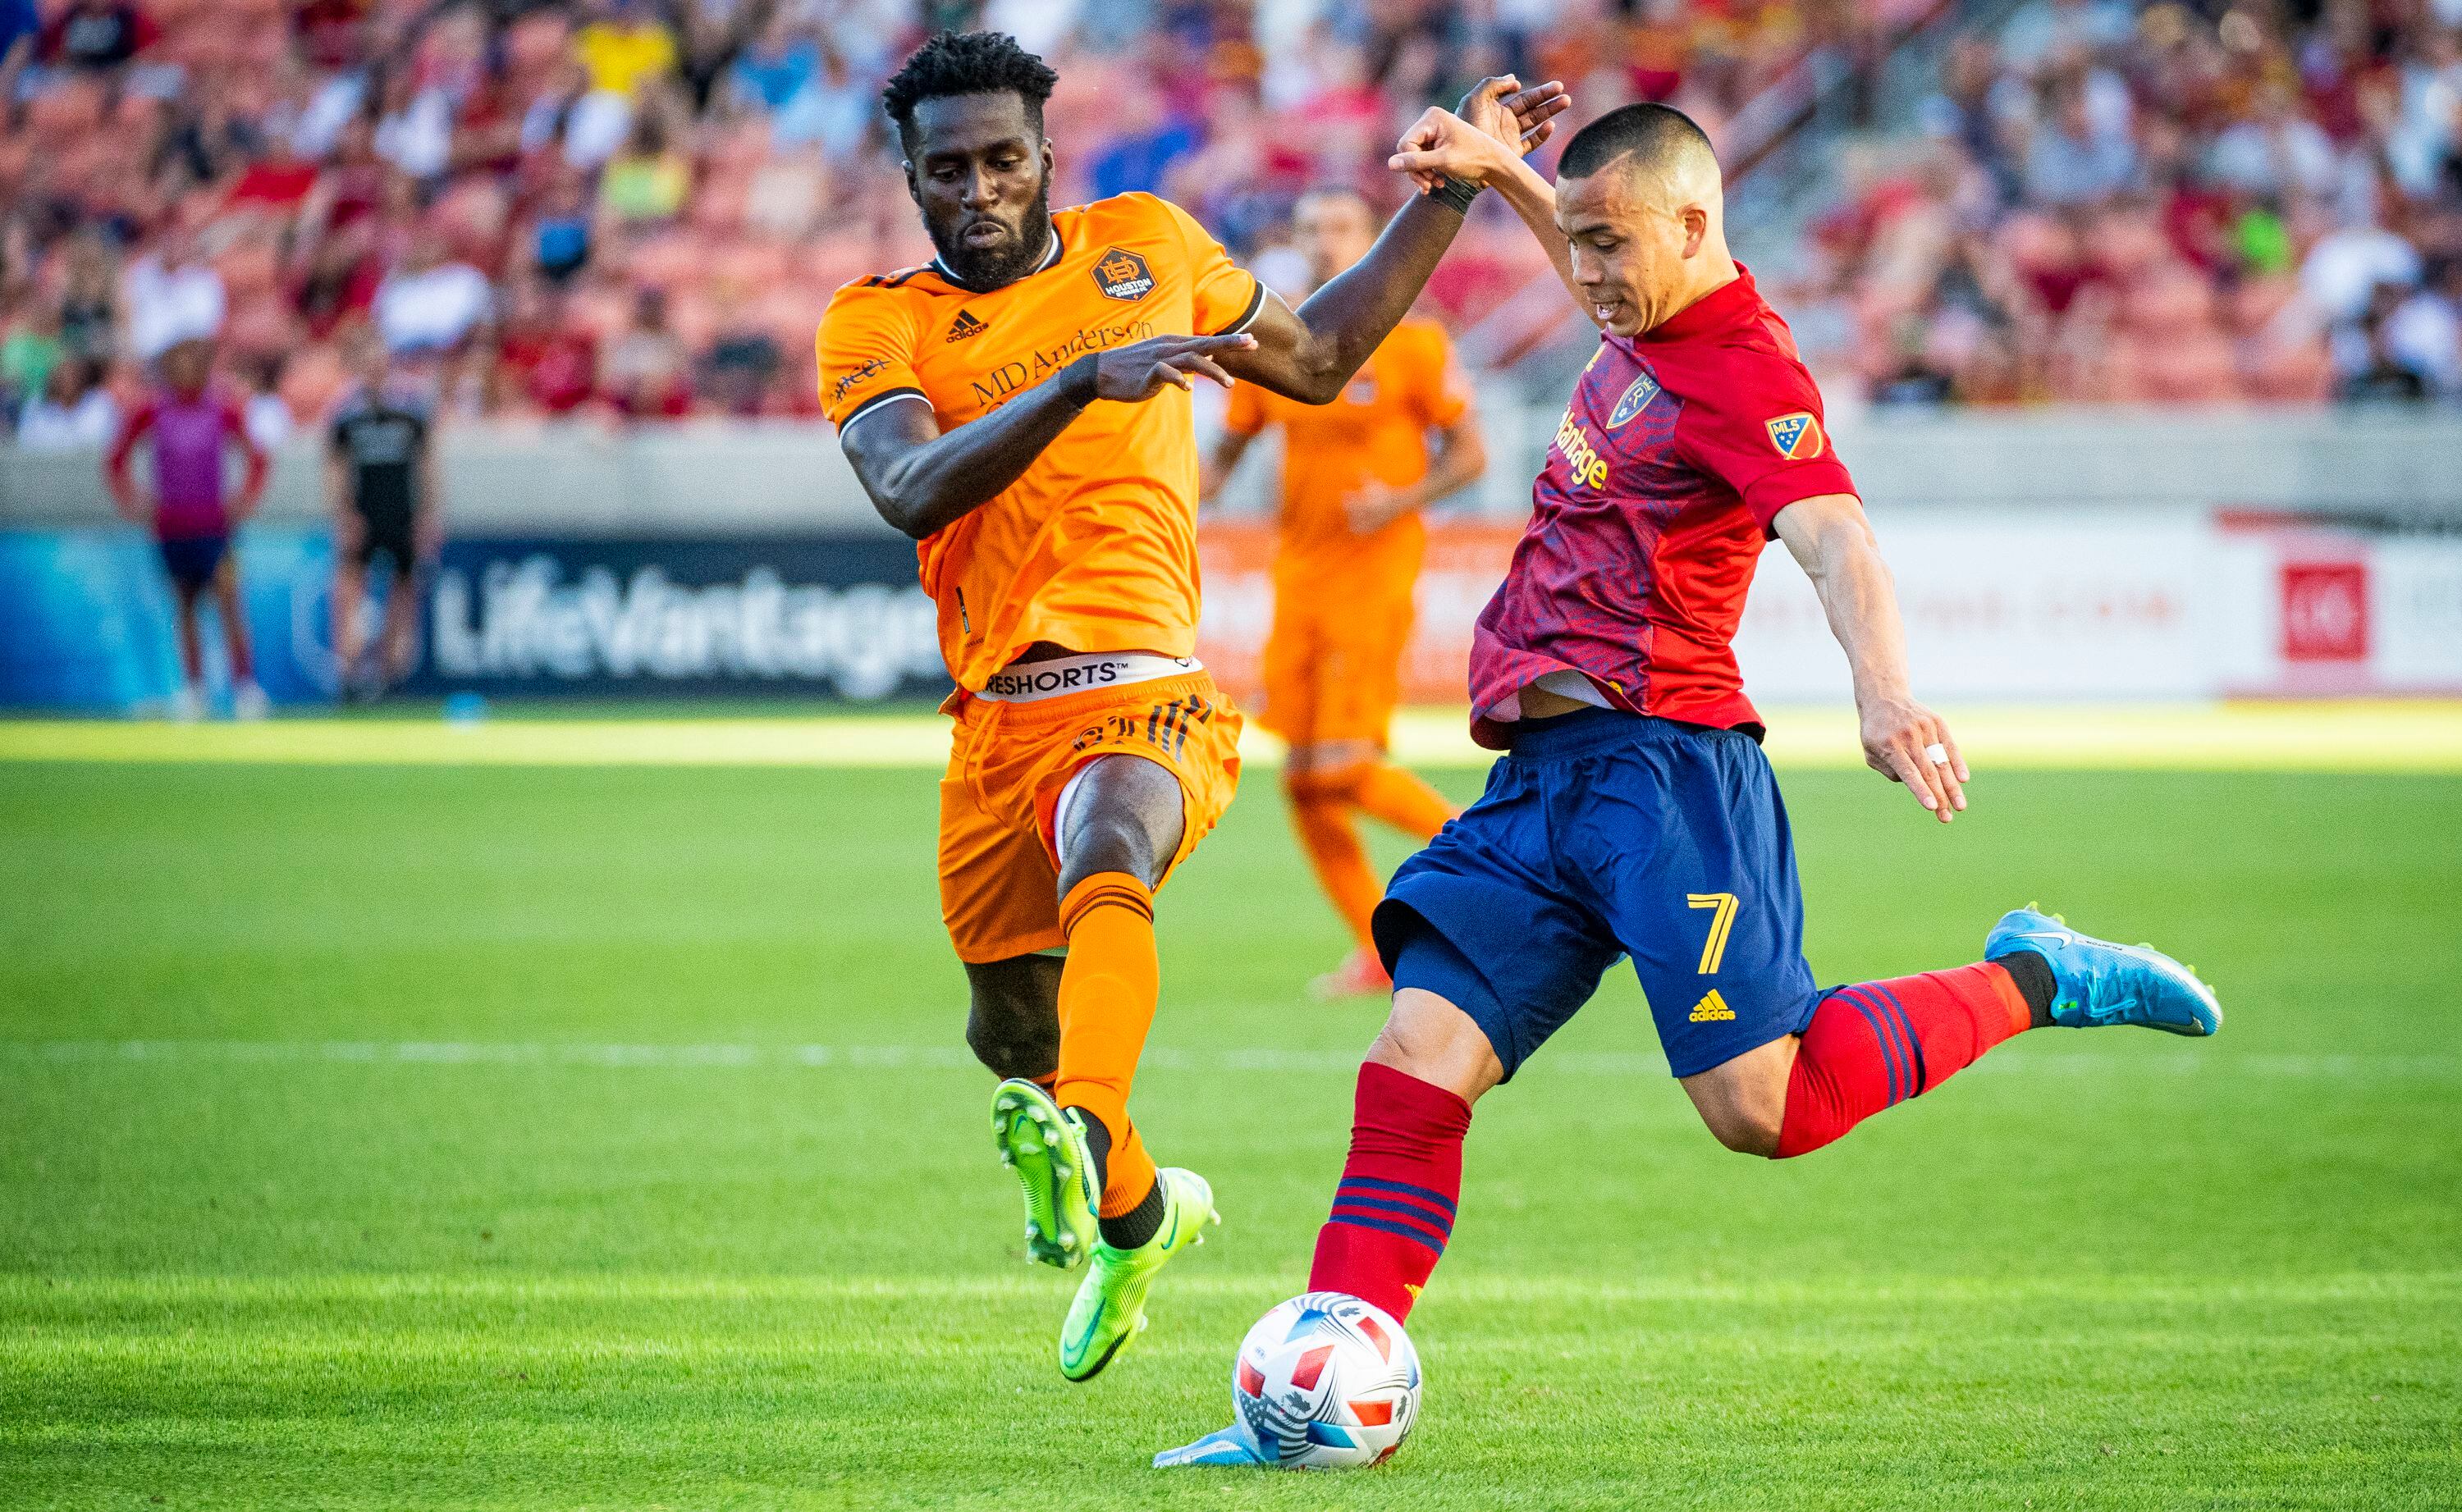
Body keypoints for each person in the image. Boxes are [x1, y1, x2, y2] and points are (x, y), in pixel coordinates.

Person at [1157, 102, 2222, 1468]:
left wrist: (1886, 689)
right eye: (1581, 240)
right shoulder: (1645, 303)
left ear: (1695, 227)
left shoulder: (1744, 371)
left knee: (1761, 1108)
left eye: (1611, 245)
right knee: (1415, 1063)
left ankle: (2037, 976)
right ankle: (1310, 1405)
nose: (1588, 272)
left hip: (1666, 773)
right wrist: (1499, 175)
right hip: (1542, 781)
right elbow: (1600, 252)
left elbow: (1836, 535)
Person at [816, 30, 1565, 1384]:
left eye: (1002, 161)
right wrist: (1069, 384)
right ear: (911, 178)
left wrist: (1447, 190)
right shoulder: (877, 320)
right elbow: (909, 486)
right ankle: (1139, 1216)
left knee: (1114, 840)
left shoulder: (1148, 245)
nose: (979, 191)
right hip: (993, 711)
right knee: (1009, 1036)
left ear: (1047, 158)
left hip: (1146, 681)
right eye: (948, 172)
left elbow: (1324, 351)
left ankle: (1092, 1128)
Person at [1198, 185, 1485, 998]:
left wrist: (1395, 503)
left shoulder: (1415, 344)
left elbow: (1471, 454)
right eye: (1315, 228)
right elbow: (1224, 450)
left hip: (1374, 574)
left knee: (1347, 767)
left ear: (1378, 238)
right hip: (1300, 576)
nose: (1328, 242)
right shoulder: (1278, 345)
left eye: (1344, 228)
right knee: (1301, 778)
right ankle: (1378, 948)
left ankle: (1508, 858)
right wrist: (1184, 489)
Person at [105, 339, 271, 721]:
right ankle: (195, 689)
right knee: (185, 608)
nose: (186, 371)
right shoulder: (151, 412)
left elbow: (258, 457)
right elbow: (116, 458)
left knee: (230, 604)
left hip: (216, 528)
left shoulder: (223, 409)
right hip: (172, 528)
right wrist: (133, 501)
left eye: (194, 363)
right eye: (177, 364)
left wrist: (243, 501)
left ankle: (245, 687)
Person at [327, 337, 437, 699]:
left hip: (402, 512)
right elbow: (336, 468)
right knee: (349, 586)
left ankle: (391, 673)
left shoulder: (411, 411)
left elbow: (427, 464)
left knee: (403, 588)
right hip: (364, 512)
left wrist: (428, 513)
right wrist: (344, 514)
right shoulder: (346, 414)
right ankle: (349, 670)